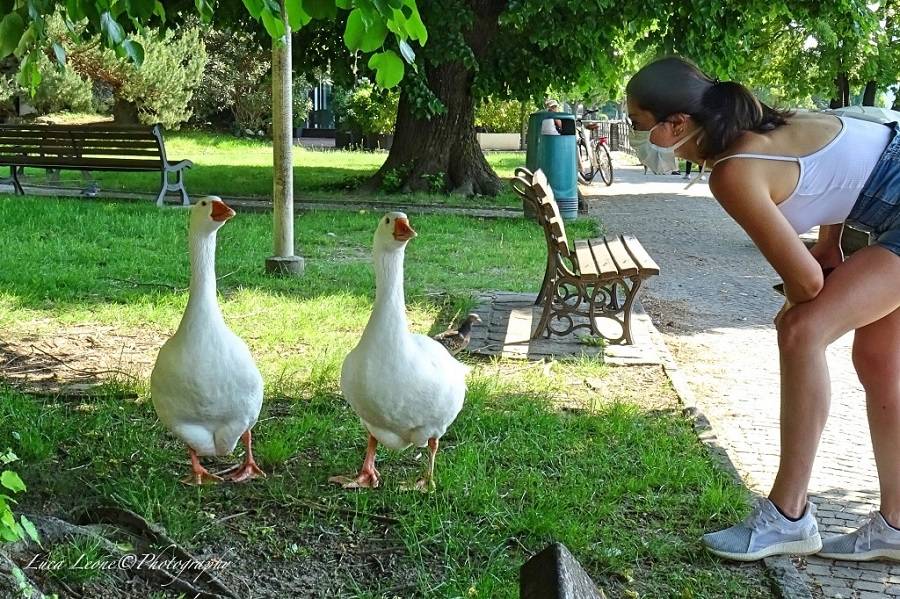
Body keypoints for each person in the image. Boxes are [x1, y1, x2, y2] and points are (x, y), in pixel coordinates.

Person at [626, 56, 900, 562]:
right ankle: (895, 526)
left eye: (639, 127)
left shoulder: (733, 172)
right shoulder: (770, 125)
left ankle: (789, 516)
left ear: (679, 124)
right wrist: (828, 241)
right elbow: (843, 168)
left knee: (801, 330)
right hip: (887, 199)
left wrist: (801, 301)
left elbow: (807, 282)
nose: (639, 140)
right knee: (879, 362)